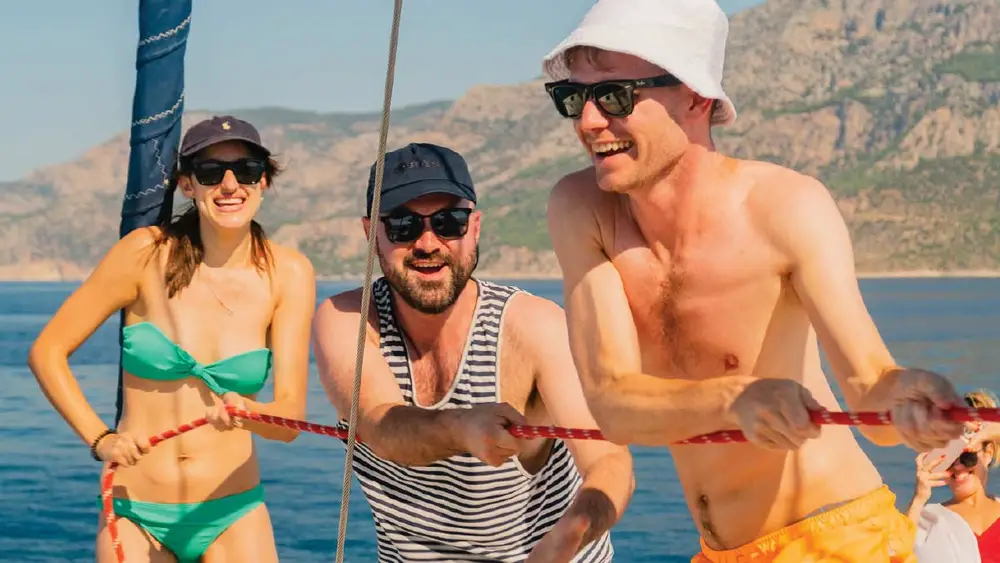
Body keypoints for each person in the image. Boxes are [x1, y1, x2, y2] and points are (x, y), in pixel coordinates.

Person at [539, 0, 966, 561]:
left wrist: (908, 401)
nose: (588, 122)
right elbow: (612, 402)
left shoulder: (785, 208)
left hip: (837, 540)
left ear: (696, 96)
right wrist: (738, 397)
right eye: (573, 98)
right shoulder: (581, 209)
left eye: (616, 97)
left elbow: (871, 391)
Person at [312, 142, 634, 562]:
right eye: (403, 226)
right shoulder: (348, 321)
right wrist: (461, 427)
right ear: (371, 233)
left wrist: (565, 539)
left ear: (475, 227)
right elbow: (379, 425)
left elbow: (610, 463)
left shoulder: (533, 328)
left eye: (449, 222)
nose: (428, 243)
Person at [28, 115, 315, 563]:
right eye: (209, 173)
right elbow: (48, 351)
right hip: (135, 511)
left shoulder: (290, 273)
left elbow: (291, 415)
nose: (229, 185)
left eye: (245, 170)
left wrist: (250, 414)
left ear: (264, 181)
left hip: (232, 509)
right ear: (187, 184)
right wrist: (100, 439)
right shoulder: (143, 254)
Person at [907, 390, 1000, 563]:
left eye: (967, 457)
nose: (958, 466)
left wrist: (993, 429)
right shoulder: (928, 520)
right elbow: (897, 552)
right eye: (949, 459)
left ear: (988, 454)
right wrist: (918, 499)